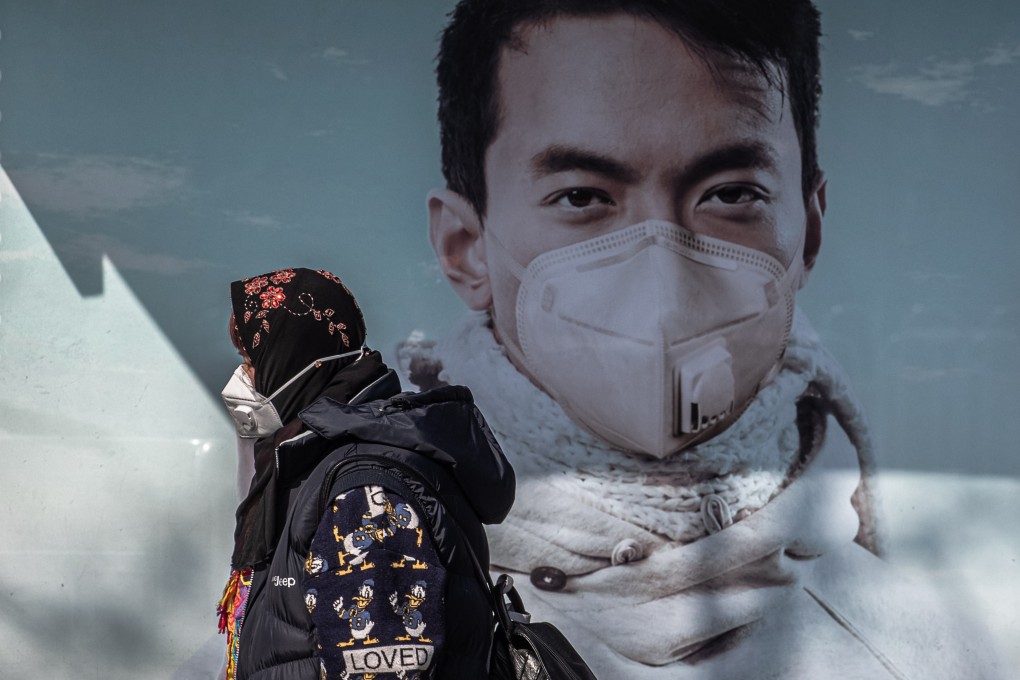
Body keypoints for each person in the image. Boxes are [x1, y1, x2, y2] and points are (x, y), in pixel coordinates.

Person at [397, 1, 1010, 678]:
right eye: (581, 196)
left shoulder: (966, 632)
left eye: (729, 193)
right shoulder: (367, 583)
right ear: (465, 247)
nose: (665, 281)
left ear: (808, 229)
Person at [217, 267, 514, 680]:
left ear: (297, 359)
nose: (242, 378)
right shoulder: (327, 461)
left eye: (251, 361)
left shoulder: (365, 488)